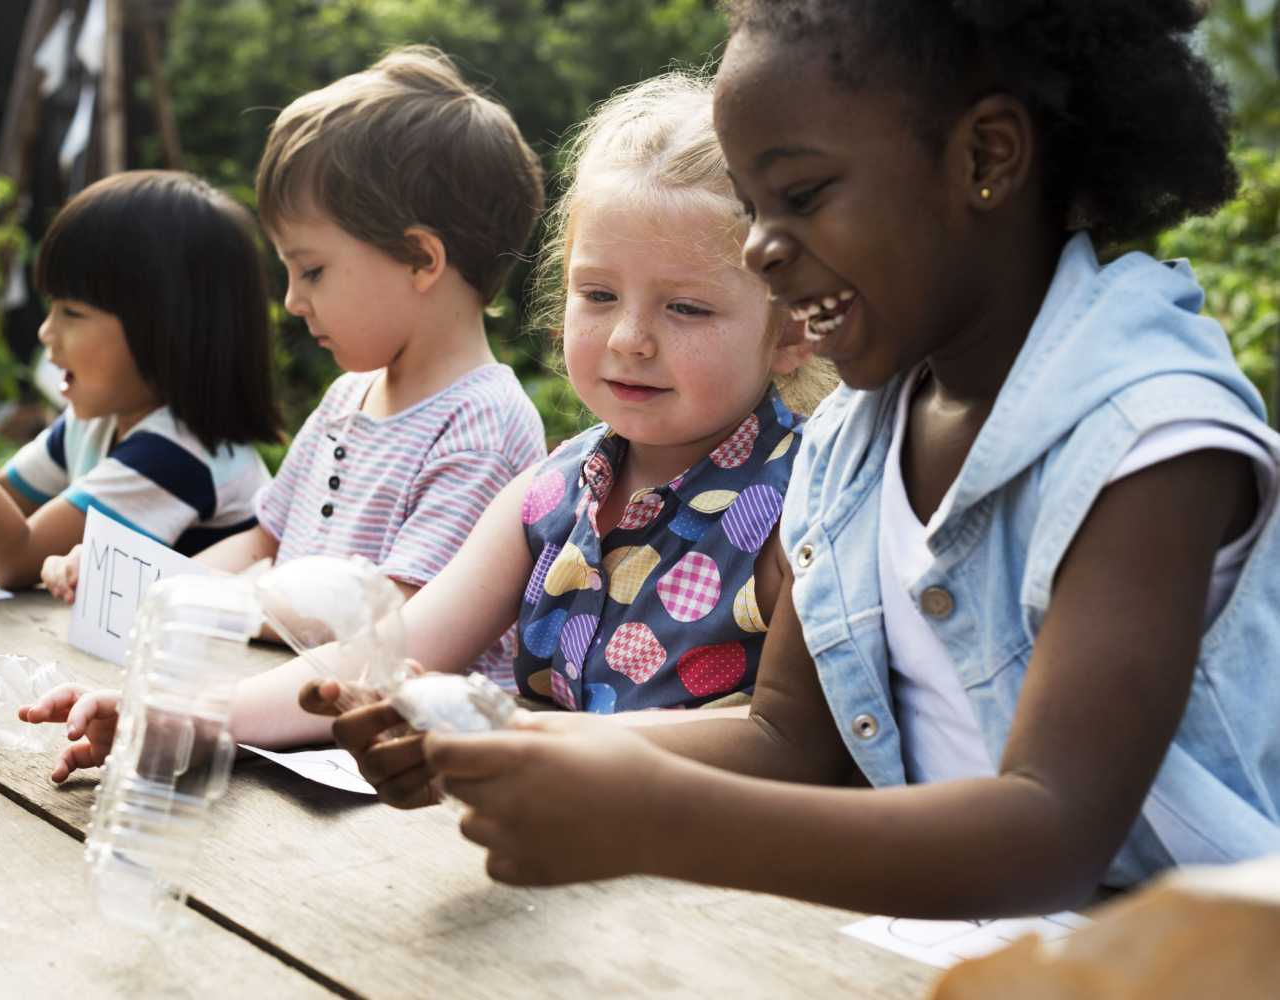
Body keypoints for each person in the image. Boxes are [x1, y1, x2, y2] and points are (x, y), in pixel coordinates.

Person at [420, 1, 1280, 918]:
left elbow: (1053, 838)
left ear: (986, 158)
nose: (759, 247)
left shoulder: (1149, 441)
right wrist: (499, 748)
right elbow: (787, 740)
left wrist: (649, 816)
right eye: (752, 208)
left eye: (802, 195)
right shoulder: (853, 441)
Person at [21, 70, 835, 789]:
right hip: (542, 852)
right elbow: (396, 647)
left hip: (726, 898)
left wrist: (527, 738)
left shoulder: (805, 504)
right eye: (597, 295)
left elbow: (791, 742)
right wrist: (188, 715)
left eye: (685, 307)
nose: (628, 338)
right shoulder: (551, 490)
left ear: (795, 326)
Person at [40, 46, 549, 686]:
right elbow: (264, 544)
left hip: (393, 748)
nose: (291, 300)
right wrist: (141, 577)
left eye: (312, 269)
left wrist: (209, 602)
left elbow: (390, 612)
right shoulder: (345, 400)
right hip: (288, 703)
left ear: (421, 259)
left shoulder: (483, 424)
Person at [0, 170, 277, 587]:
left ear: (168, 332)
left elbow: (13, 557)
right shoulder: (100, 420)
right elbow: (1, 502)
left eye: (72, 313)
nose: (46, 332)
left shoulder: (180, 455)